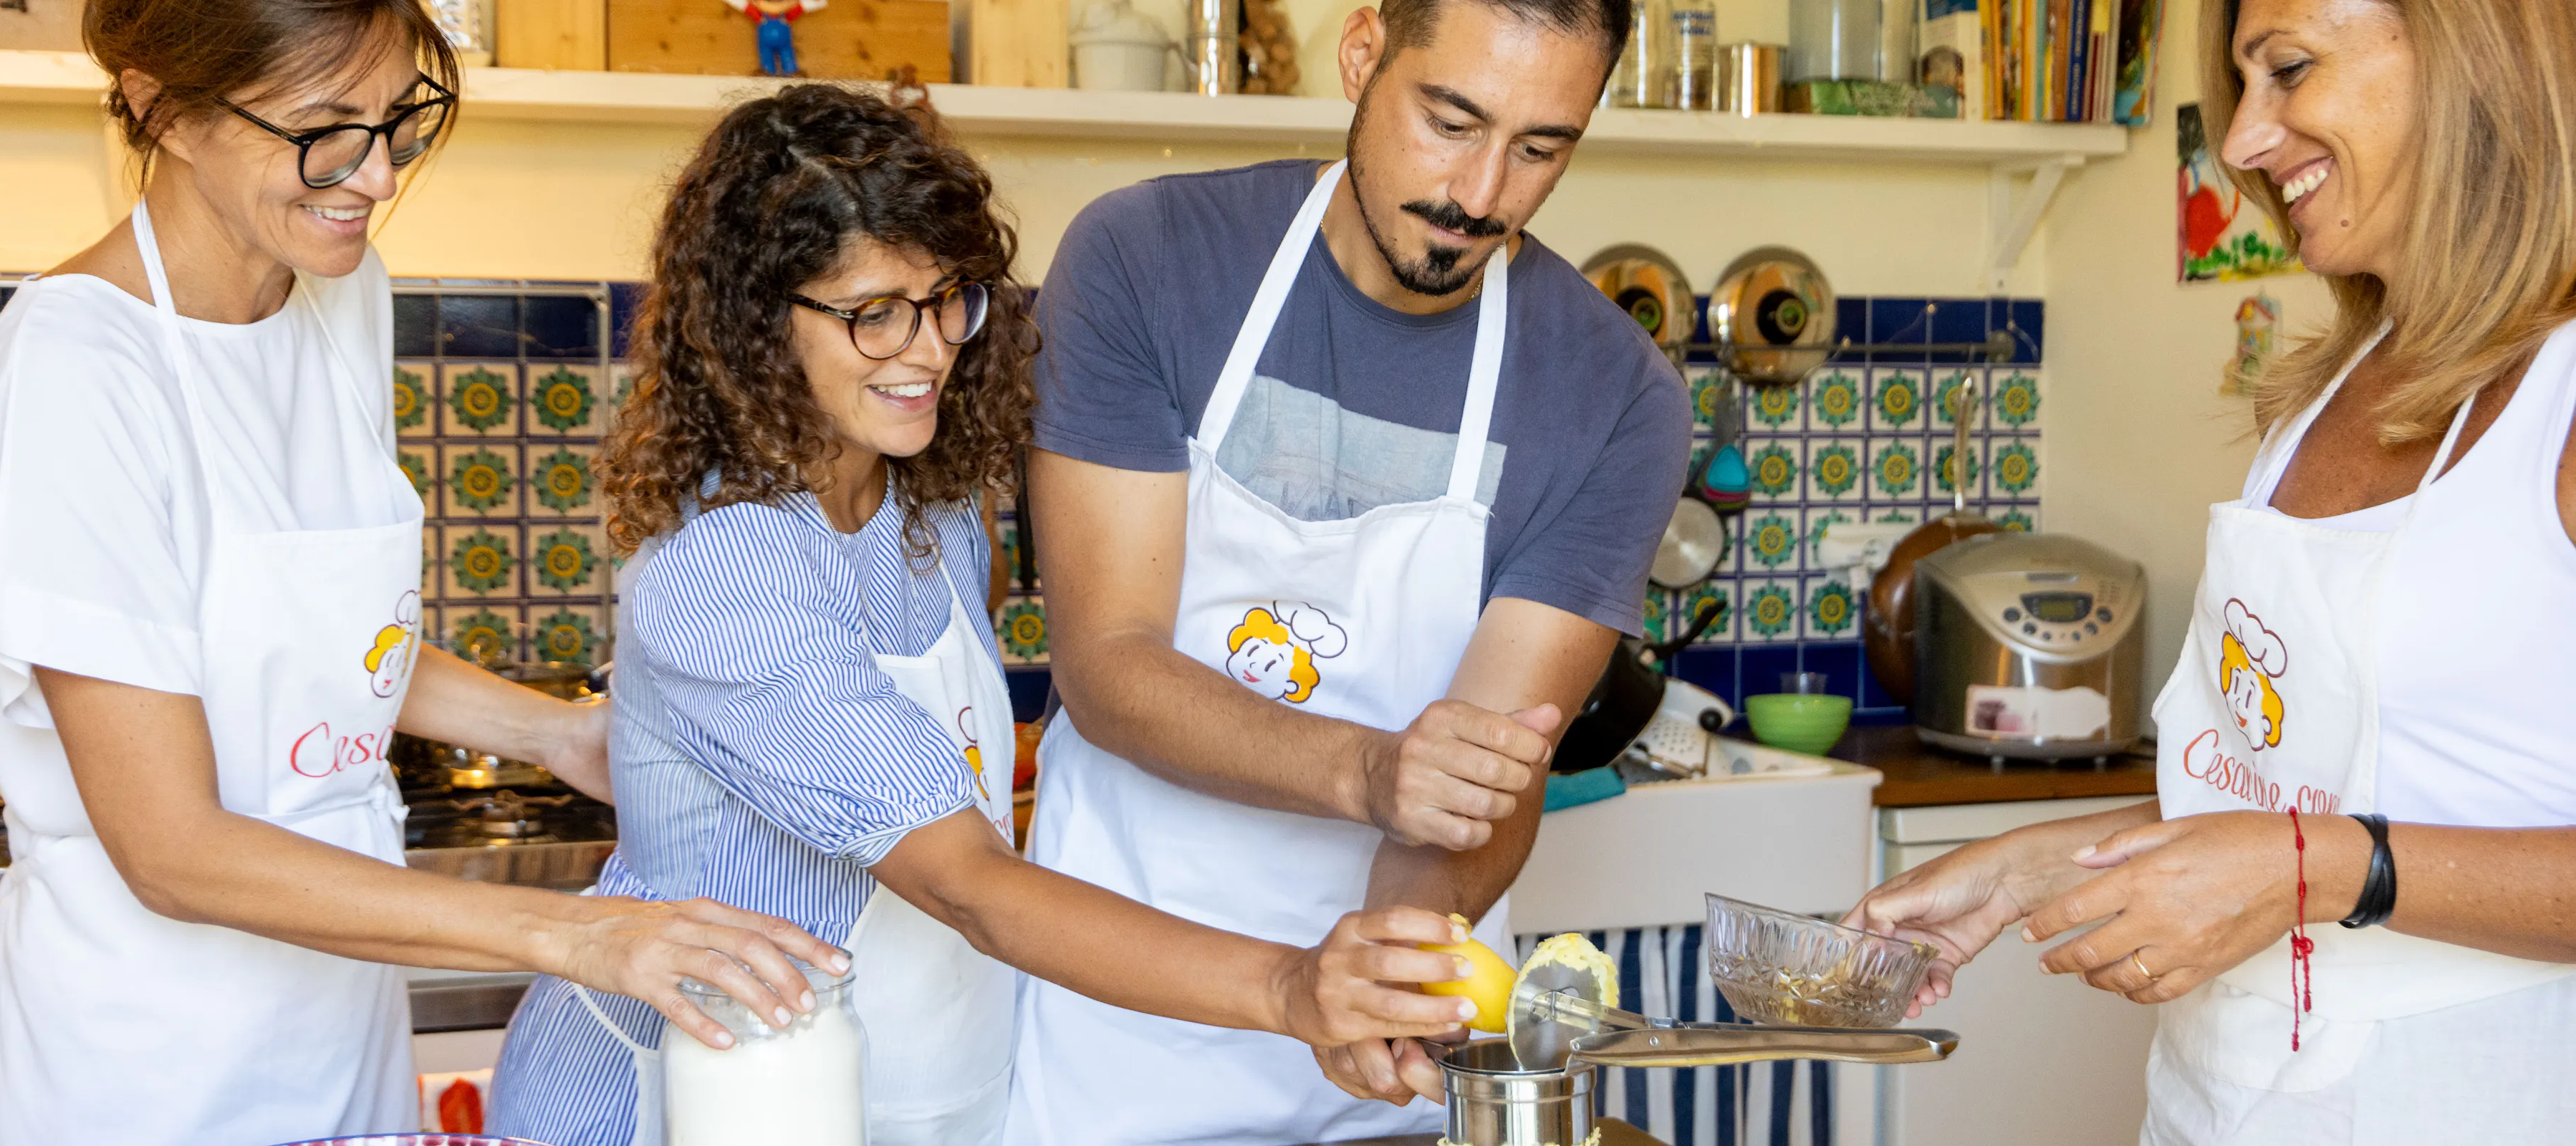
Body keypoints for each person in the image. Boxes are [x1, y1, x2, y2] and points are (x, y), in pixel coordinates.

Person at [486, 85, 1481, 1146]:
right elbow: (969, 887)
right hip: (686, 1103)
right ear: (757, 326)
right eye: (874, 313)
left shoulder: (932, 504)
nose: (928, 350)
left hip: (913, 1084)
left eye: (947, 297)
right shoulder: (728, 575)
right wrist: (1289, 989)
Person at [0, 3, 836, 1142]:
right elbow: (171, 850)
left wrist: (560, 735)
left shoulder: (338, 291)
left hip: (340, 1028)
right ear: (161, 108)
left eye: (397, 123)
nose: (374, 178)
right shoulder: (72, 373)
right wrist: (576, 936)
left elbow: (311, 638)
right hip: (144, 1071)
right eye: (324, 132)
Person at [1846, 1, 2576, 1141]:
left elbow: (2309, 844)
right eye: (2243, 86)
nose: (2241, 141)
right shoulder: (2328, 392)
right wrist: (2030, 867)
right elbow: (2288, 793)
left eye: (2288, 69)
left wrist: (2320, 870)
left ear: (2472, 52)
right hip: (2217, 1097)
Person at [1014, 0, 1690, 1136]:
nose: (1480, 194)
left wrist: (1391, 968)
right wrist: (1374, 772)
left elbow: (1490, 774)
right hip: (1125, 1043)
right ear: (1364, 53)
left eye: (1540, 149)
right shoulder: (1147, 260)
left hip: (1403, 1074)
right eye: (1451, 122)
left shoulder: (1617, 398)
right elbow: (1108, 666)